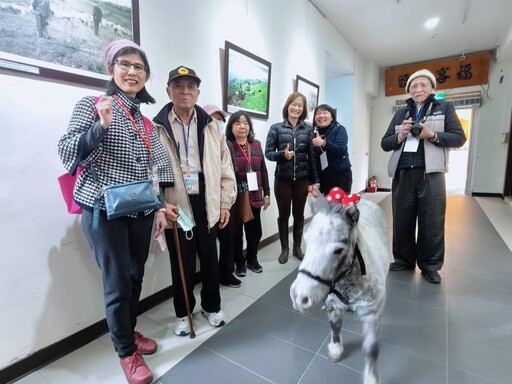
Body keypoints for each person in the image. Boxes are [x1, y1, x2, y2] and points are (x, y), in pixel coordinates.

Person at [58, 40, 175, 384]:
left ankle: (129, 331)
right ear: (111, 69)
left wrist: (160, 204)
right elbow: (67, 152)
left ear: (146, 76)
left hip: (139, 209)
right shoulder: (93, 105)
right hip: (102, 208)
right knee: (117, 283)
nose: (132, 72)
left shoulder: (147, 122)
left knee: (135, 275)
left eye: (139, 67)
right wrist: (101, 126)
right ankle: (126, 351)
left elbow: (152, 168)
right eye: (125, 64)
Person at [153, 66, 237, 336]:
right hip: (175, 198)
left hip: (206, 196)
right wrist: (159, 204)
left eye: (190, 87)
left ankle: (211, 307)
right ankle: (183, 312)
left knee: (209, 256)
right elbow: (150, 169)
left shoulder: (212, 127)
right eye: (178, 86)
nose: (184, 91)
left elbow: (226, 169)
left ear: (198, 93)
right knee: (181, 261)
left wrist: (225, 202)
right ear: (169, 91)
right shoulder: (156, 127)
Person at [381, 69, 466, 284]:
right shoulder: (401, 113)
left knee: (432, 220)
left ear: (432, 88)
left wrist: (432, 135)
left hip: (432, 173)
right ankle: (403, 259)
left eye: (423, 85)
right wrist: (400, 135)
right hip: (403, 173)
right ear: (409, 90)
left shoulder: (444, 107)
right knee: (402, 219)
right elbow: (385, 143)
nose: (418, 89)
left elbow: (459, 138)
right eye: (414, 86)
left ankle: (430, 265)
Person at [265, 92, 319, 264]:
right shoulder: (276, 128)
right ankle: (284, 249)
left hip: (302, 179)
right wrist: (283, 155)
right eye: (293, 104)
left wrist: (315, 180)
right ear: (288, 106)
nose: (296, 108)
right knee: (283, 215)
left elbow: (312, 157)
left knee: (299, 214)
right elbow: (268, 153)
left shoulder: (308, 130)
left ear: (303, 110)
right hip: (282, 179)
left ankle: (297, 247)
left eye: (300, 106)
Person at [225, 111, 271, 276]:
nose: (242, 126)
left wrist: (267, 193)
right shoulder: (227, 145)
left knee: (255, 231)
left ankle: (252, 258)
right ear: (231, 127)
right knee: (237, 234)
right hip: (236, 197)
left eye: (245, 123)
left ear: (250, 126)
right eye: (237, 123)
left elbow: (263, 171)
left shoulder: (256, 144)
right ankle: (239, 262)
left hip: (255, 196)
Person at [203, 104, 241, 288]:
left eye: (220, 120)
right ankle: (209, 277)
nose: (217, 123)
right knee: (208, 242)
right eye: (213, 119)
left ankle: (226, 272)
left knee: (228, 238)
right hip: (207, 199)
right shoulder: (200, 140)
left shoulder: (226, 143)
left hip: (227, 198)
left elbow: (230, 171)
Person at [311, 104, 352, 194]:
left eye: (325, 113)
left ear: (332, 117)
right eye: (318, 113)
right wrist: (315, 180)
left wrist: (324, 143)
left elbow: (340, 150)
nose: (321, 116)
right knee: (322, 207)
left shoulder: (339, 129)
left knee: (339, 207)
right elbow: (312, 158)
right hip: (322, 178)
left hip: (340, 176)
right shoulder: (313, 134)